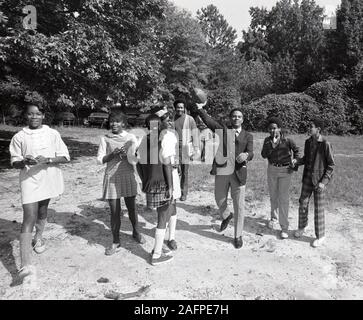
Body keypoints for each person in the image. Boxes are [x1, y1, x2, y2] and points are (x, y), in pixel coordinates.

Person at [9, 103, 70, 288]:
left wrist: (48, 159)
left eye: (37, 114)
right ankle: (25, 265)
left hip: (48, 178)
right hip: (29, 180)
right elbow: (14, 162)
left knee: (43, 211)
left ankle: (39, 237)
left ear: (43, 115)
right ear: (25, 116)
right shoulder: (19, 136)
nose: (34, 117)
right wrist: (23, 162)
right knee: (29, 216)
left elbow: (65, 157)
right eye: (30, 114)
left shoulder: (52, 134)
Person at [195, 98, 254, 249]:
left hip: (238, 173)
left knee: (239, 206)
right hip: (222, 171)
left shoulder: (248, 136)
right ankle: (227, 215)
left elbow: (251, 152)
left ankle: (238, 235)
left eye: (239, 116)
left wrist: (246, 155)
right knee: (219, 198)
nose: (236, 118)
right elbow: (209, 122)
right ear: (230, 118)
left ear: (242, 119)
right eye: (234, 116)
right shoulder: (223, 131)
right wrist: (201, 109)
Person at [97, 110, 146, 256]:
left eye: (117, 121)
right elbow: (99, 160)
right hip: (111, 177)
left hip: (127, 175)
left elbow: (138, 157)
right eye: (112, 121)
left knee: (132, 208)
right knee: (114, 211)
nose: (114, 123)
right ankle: (116, 240)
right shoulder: (105, 138)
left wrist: (129, 154)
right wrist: (112, 154)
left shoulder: (131, 137)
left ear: (123, 123)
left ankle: (136, 233)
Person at [137, 109, 180, 265]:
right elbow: (167, 165)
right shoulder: (163, 139)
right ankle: (156, 254)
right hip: (163, 183)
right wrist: (170, 187)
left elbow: (138, 165)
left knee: (164, 215)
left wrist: (145, 180)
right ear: (160, 124)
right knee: (163, 218)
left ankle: (161, 246)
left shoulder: (144, 140)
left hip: (151, 183)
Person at [294, 118, 335, 247]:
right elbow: (306, 158)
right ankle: (302, 227)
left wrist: (324, 182)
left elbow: (331, 165)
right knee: (303, 203)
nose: (309, 128)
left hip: (319, 180)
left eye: (311, 126)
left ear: (318, 129)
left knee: (318, 208)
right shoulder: (308, 142)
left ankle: (320, 236)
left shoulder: (325, 143)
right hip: (307, 178)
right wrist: (298, 161)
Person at [261, 117, 300, 239]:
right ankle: (273, 218)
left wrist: (296, 159)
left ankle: (284, 227)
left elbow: (297, 150)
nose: (273, 130)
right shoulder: (267, 140)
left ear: (279, 128)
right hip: (272, 169)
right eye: (270, 128)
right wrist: (270, 146)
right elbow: (263, 155)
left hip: (285, 170)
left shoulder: (287, 140)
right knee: (273, 195)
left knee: (283, 198)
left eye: (275, 128)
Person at [173, 99, 200, 201]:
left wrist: (195, 149)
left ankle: (183, 193)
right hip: (174, 148)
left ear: (184, 108)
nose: (180, 109)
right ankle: (175, 192)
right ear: (175, 108)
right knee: (174, 170)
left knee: (184, 172)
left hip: (185, 148)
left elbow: (195, 134)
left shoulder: (190, 119)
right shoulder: (172, 119)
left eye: (181, 107)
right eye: (178, 107)